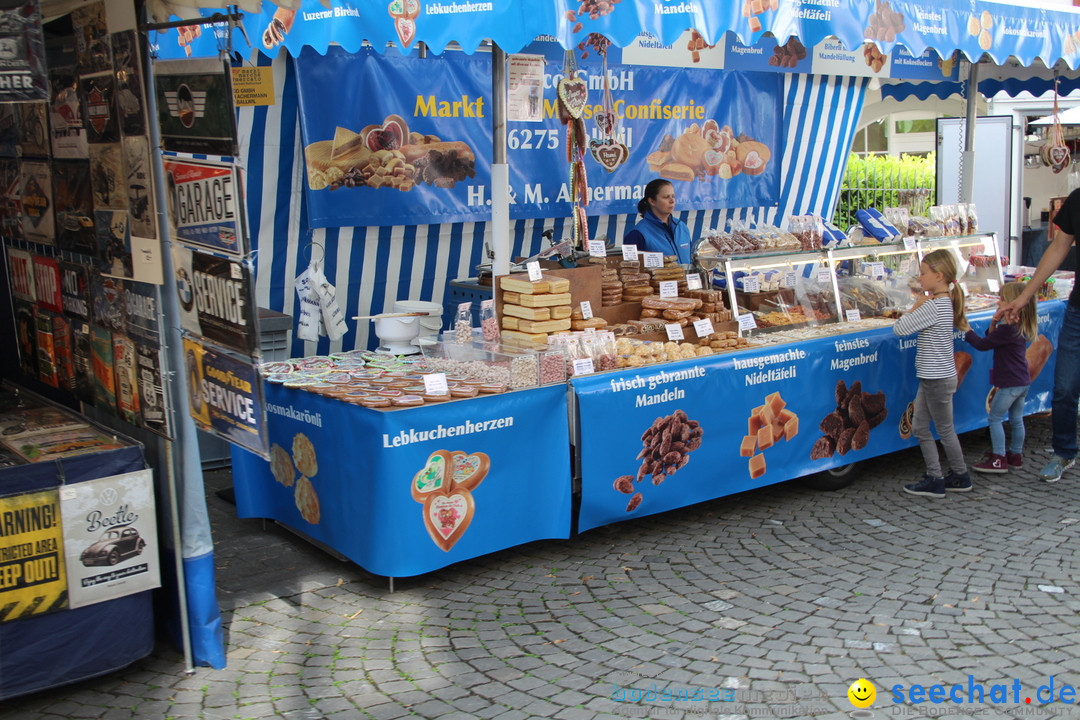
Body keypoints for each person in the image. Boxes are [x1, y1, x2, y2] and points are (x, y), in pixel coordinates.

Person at [998, 189, 1080, 482]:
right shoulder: (1077, 199)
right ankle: (1064, 451)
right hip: (1077, 311)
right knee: (1065, 387)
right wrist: (1025, 297)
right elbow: (1058, 249)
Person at [894, 249, 972, 498]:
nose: (920, 277)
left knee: (941, 428)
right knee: (921, 426)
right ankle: (946, 475)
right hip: (936, 375)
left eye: (924, 273)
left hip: (935, 377)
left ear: (939, 276)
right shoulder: (945, 302)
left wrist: (916, 305)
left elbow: (900, 328)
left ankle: (944, 477)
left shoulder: (933, 306)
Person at [965, 282, 1036, 473]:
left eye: (1002, 298)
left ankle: (998, 458)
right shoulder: (1018, 327)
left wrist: (966, 330)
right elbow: (992, 338)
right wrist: (994, 322)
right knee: (1016, 418)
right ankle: (1015, 455)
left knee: (995, 417)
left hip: (1010, 384)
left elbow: (982, 344)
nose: (999, 301)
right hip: (1022, 382)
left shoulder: (1008, 329)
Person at [623, 179, 692, 264]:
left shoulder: (681, 227)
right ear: (652, 201)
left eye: (673, 196)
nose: (672, 201)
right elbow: (630, 270)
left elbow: (691, 261)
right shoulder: (637, 234)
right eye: (666, 197)